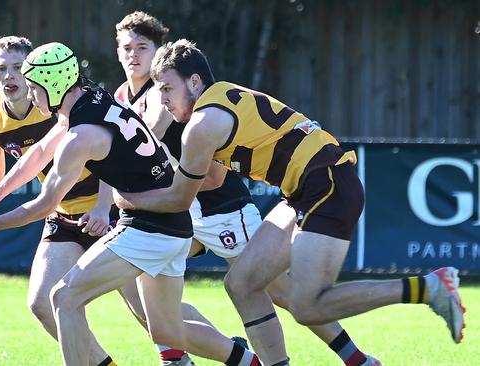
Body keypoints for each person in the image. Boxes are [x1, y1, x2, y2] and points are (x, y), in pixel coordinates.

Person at [114, 38, 465, 360]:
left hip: (326, 184)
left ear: (193, 82)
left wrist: (126, 198)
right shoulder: (221, 97)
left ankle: (429, 287)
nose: (162, 99)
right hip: (303, 190)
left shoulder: (202, 125)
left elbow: (179, 198)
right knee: (243, 283)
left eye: (166, 88)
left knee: (307, 305)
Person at [0, 42, 262, 366]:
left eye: (33, 88)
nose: (30, 96)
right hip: (171, 224)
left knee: (64, 298)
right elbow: (39, 152)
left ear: (52, 85)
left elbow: (44, 203)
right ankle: (247, 361)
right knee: (167, 331)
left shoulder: (79, 137)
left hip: (149, 227)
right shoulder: (93, 99)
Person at [0, 36, 117, 366]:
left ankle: (191, 357)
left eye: (17, 68)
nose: (10, 76)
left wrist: (103, 205)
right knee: (43, 303)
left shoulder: (58, 103)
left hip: (109, 214)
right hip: (62, 215)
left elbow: (113, 154)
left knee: (153, 317)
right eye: (2, 69)